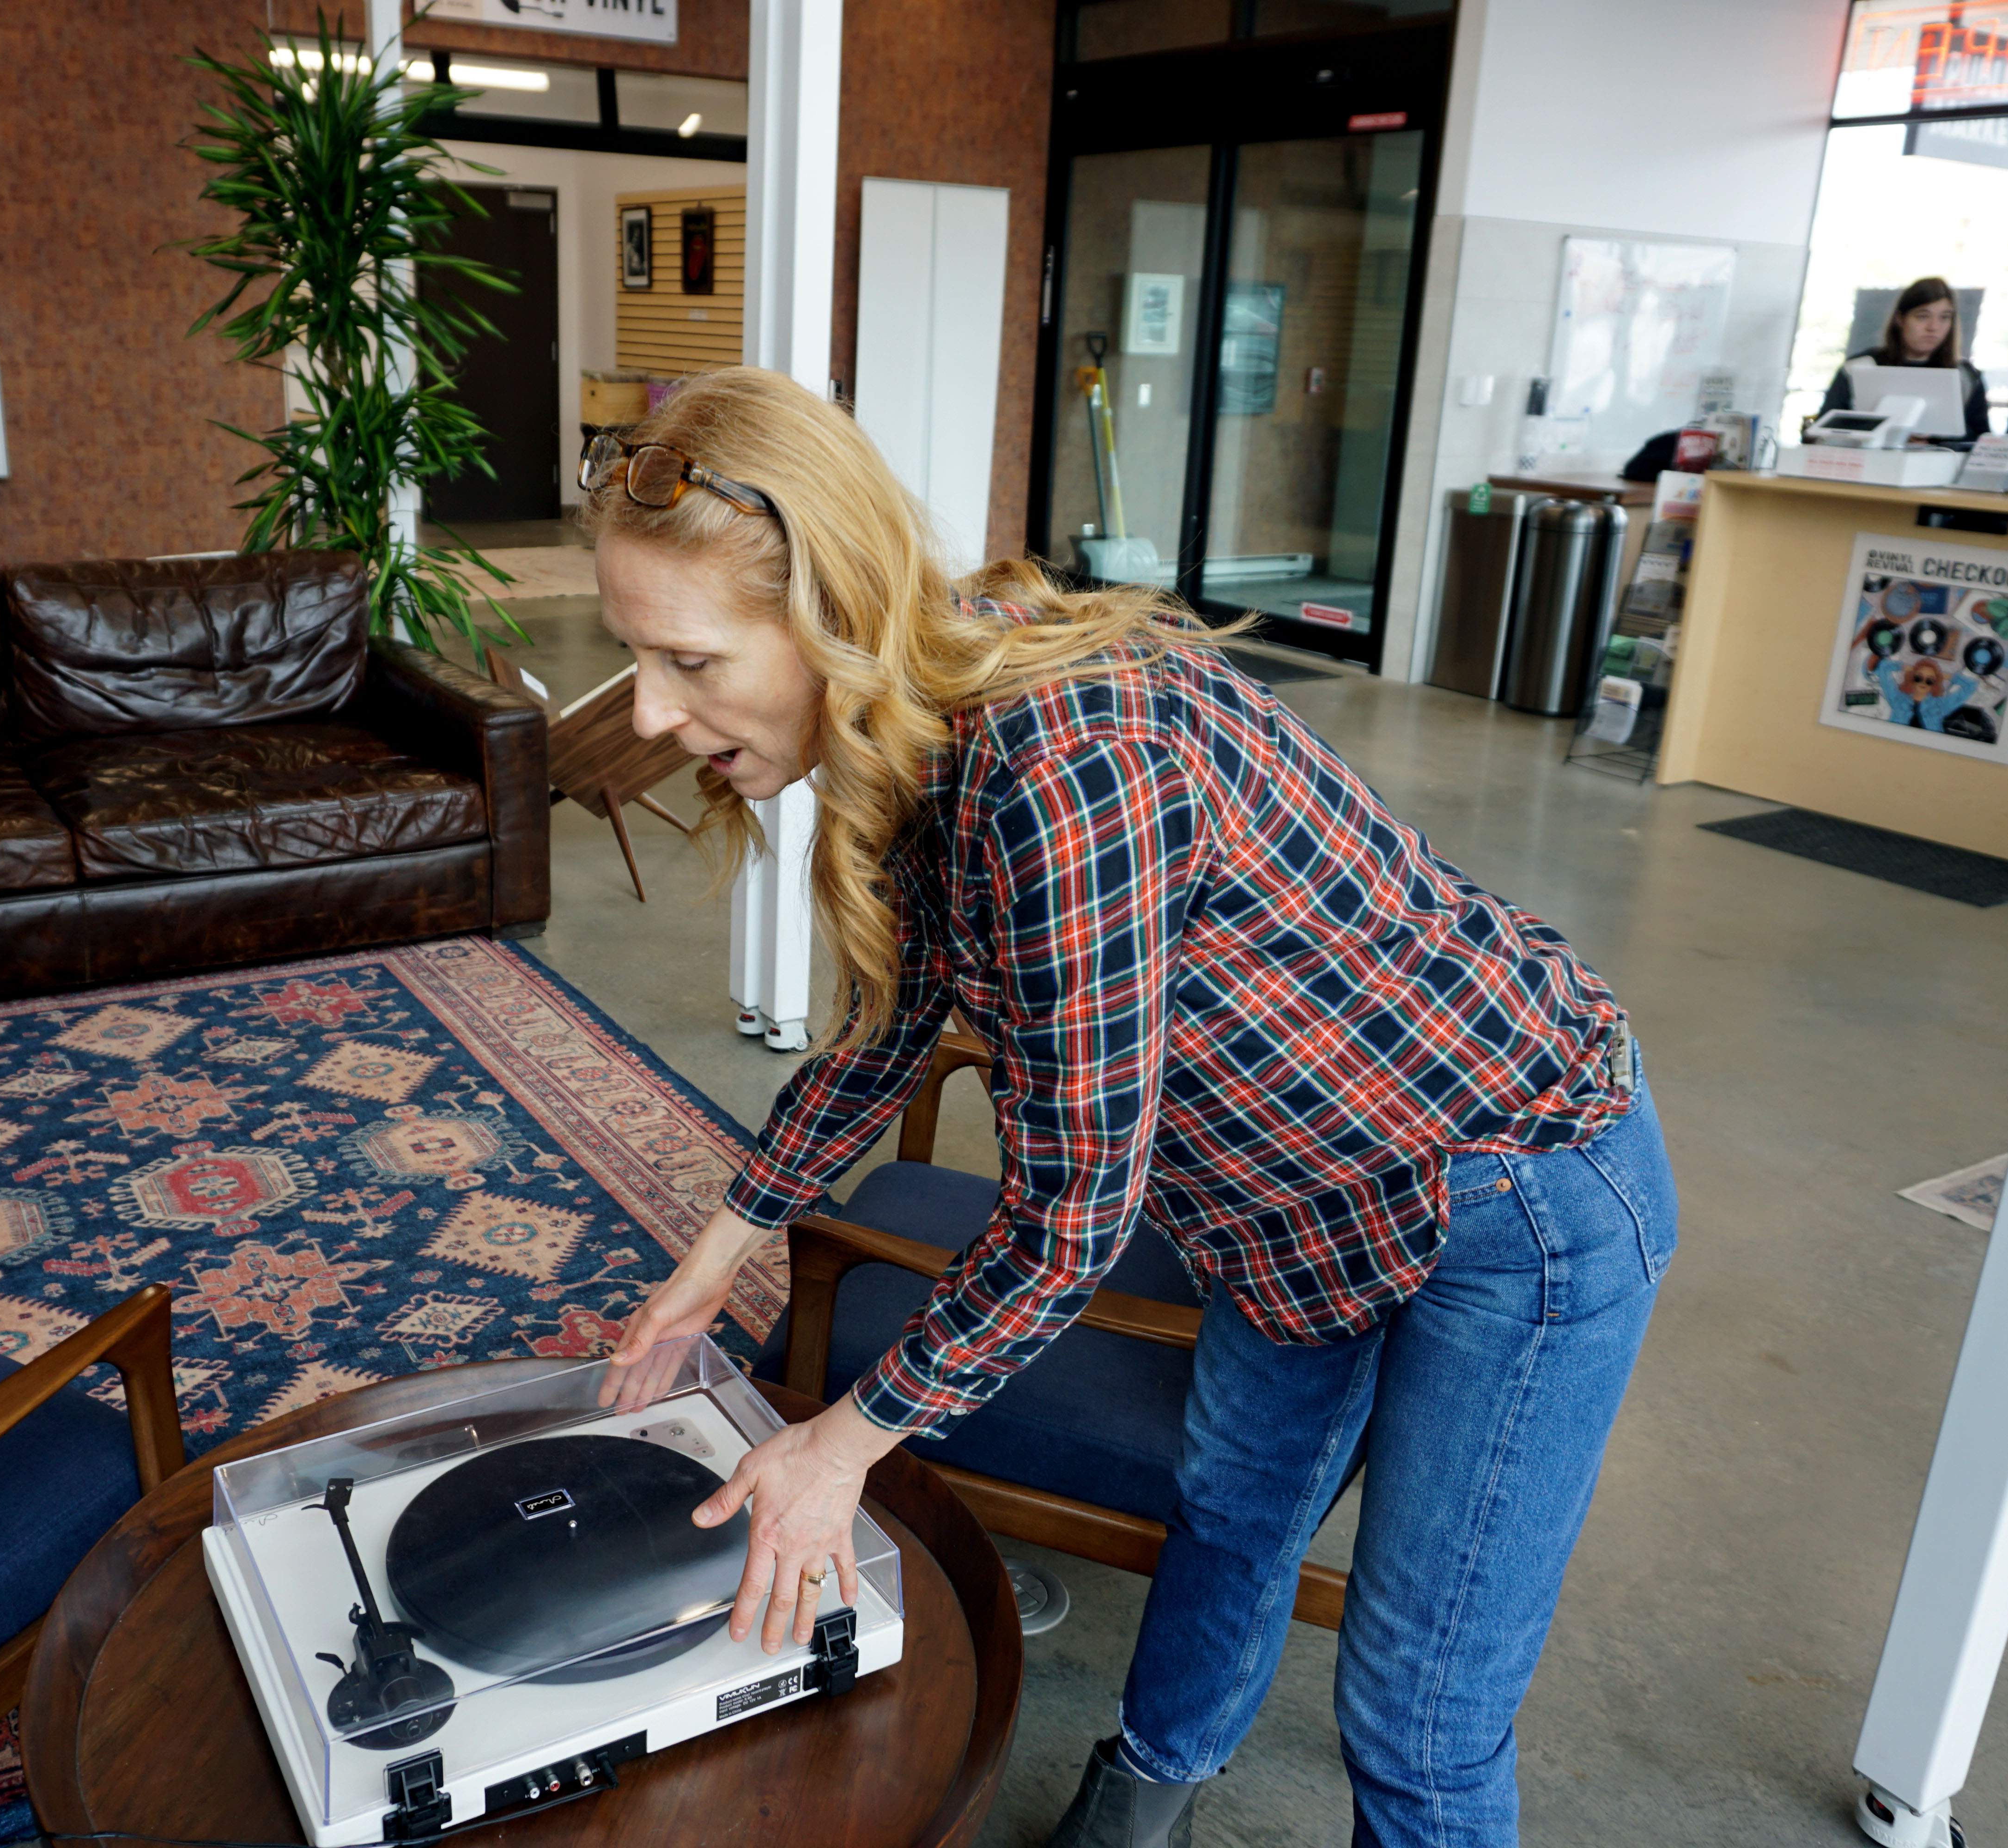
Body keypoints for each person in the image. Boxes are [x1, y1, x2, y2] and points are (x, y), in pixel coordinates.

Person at [588, 367, 1677, 1848]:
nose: (652, 714)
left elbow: (1069, 1220)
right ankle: (1144, 1797)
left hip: (1513, 1189)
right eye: (633, 658)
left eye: (689, 661)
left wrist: (841, 1444)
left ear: (828, 609)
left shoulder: (1059, 767)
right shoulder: (922, 713)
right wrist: (707, 1267)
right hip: (1286, 1208)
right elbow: (888, 1025)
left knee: (1415, 1716)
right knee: (1229, 1516)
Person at [1817, 276, 1990, 438]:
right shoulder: (1860, 368)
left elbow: (1980, 440)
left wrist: (1937, 439)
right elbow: (1822, 432)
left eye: (1944, 318)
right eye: (1923, 317)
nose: (1933, 327)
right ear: (1900, 319)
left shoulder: (1965, 376)